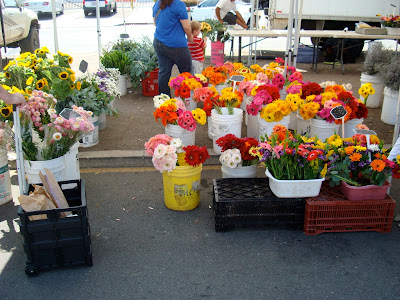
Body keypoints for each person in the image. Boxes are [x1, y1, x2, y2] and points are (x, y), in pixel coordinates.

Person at [153, 0, 193, 96]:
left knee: (164, 73)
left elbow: (155, 23)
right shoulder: (179, 5)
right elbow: (186, 27)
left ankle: (164, 102)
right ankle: (186, 99)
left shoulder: (157, 4)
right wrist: (190, 37)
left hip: (159, 42)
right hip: (177, 46)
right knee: (186, 72)